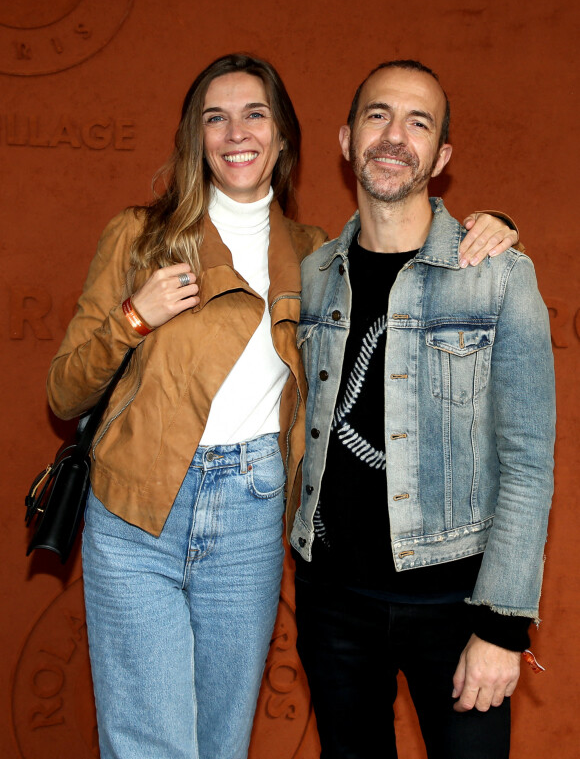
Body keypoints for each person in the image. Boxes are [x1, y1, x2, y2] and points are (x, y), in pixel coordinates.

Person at [46, 53, 517, 759]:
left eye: (254, 113)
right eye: (215, 116)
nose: (236, 131)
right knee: (152, 743)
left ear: (285, 137)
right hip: (138, 510)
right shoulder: (137, 237)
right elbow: (63, 390)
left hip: (252, 513)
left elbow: (405, 256)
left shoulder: (314, 255)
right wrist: (131, 319)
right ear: (195, 137)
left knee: (220, 742)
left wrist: (494, 226)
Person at [291, 60, 555, 759]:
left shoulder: (497, 274)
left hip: (456, 610)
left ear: (440, 156)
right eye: (378, 115)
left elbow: (529, 461)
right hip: (333, 606)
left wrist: (502, 625)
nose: (394, 136)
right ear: (346, 139)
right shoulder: (313, 275)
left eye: (419, 122)